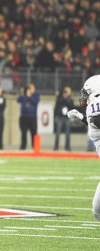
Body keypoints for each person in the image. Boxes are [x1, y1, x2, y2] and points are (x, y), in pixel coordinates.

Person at [66, 75, 100, 221]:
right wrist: (81, 118)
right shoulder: (94, 109)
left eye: (86, 93)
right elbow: (96, 122)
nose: (84, 97)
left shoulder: (95, 103)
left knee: (97, 211)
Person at [17, 83, 40, 150]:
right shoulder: (24, 96)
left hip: (32, 117)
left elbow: (35, 101)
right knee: (23, 133)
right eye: (29, 88)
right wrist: (23, 93)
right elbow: (18, 100)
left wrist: (29, 96)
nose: (30, 90)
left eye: (31, 88)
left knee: (34, 133)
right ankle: (23, 147)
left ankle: (35, 147)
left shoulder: (36, 95)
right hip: (24, 117)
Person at [54, 86, 74, 151]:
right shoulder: (59, 98)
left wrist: (66, 98)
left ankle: (67, 147)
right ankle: (56, 147)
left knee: (68, 133)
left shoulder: (70, 99)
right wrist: (62, 97)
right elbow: (57, 104)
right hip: (60, 117)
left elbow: (71, 105)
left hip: (67, 117)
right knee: (58, 132)